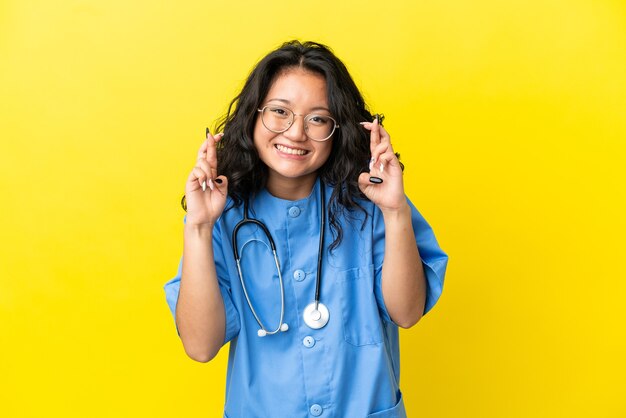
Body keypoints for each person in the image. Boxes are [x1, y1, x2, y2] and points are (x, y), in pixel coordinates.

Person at [164, 40, 448, 418]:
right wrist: (199, 226)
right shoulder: (221, 217)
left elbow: (407, 312)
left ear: (337, 129)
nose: (296, 133)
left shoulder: (373, 202)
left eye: (317, 118)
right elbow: (200, 347)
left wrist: (395, 211)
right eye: (279, 112)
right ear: (253, 115)